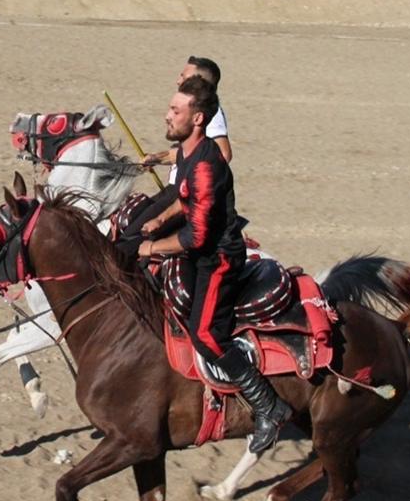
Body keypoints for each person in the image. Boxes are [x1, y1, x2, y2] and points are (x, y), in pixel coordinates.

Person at [124, 77, 292, 455]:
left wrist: (152, 246)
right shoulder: (187, 152)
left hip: (217, 260)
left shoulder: (206, 164)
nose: (167, 116)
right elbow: (187, 201)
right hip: (198, 252)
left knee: (206, 334)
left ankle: (269, 406)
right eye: (170, 108)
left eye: (175, 111)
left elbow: (196, 236)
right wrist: (158, 218)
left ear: (197, 118)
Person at [142, 56, 233, 168]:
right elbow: (187, 153)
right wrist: (157, 158)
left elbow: (224, 155)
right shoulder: (194, 106)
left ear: (200, 81)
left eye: (184, 78)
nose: (178, 81)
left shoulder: (209, 111)